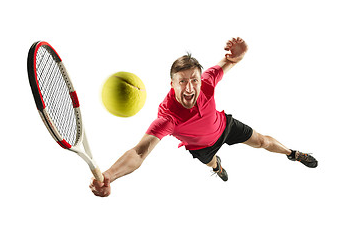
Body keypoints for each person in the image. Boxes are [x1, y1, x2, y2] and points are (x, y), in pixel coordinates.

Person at [90, 37, 318, 197]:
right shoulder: (168, 117)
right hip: (202, 148)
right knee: (213, 162)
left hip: (225, 126)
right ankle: (217, 168)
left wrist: (237, 55)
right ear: (172, 84)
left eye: (194, 81)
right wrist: (109, 174)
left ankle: (293, 154)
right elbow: (139, 152)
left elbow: (227, 62)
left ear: (200, 80)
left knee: (263, 141)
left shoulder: (207, 83)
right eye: (182, 82)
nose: (189, 88)